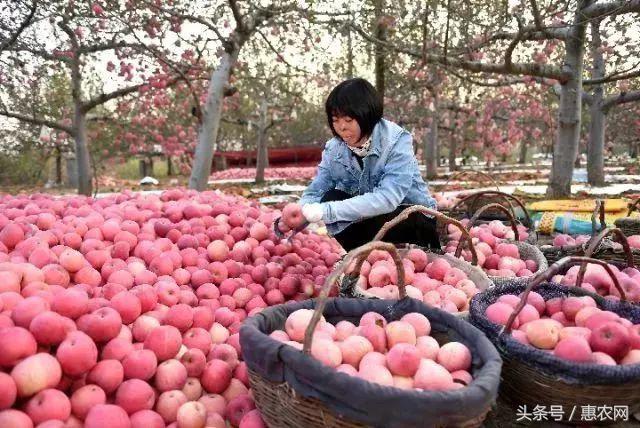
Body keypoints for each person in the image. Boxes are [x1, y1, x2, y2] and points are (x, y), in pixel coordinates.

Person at [298, 78, 440, 252]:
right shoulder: (334, 148)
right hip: (371, 220)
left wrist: (326, 211)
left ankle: (406, 257)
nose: (341, 127)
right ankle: (363, 260)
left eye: (348, 120)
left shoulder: (396, 141)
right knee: (330, 197)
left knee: (334, 208)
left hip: (409, 219)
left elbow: (388, 198)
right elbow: (316, 190)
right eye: (335, 120)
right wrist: (299, 212)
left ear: (366, 115)